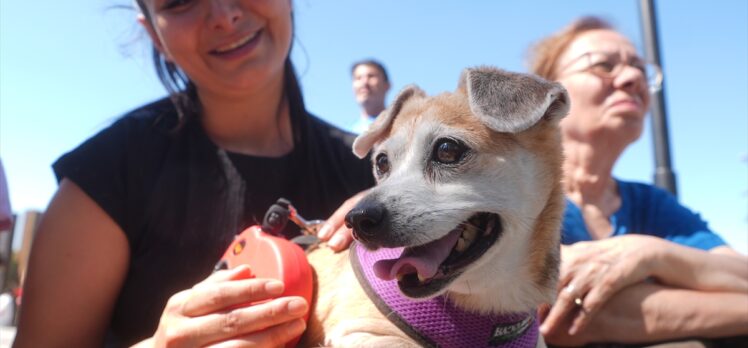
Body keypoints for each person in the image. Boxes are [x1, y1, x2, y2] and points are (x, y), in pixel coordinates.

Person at [13, 1, 374, 347]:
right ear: (154, 34)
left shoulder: (374, 172)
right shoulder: (102, 178)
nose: (224, 15)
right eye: (180, 1)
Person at [526, 16, 748, 346]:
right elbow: (571, 313)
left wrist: (649, 253)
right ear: (549, 95)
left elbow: (739, 275)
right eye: (603, 65)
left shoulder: (649, 203)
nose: (632, 77)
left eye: (639, 69)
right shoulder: (522, 194)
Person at [350, 59, 391, 133]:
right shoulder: (345, 133)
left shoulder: (403, 128)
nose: (364, 83)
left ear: (387, 85)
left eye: (371, 76)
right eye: (358, 78)